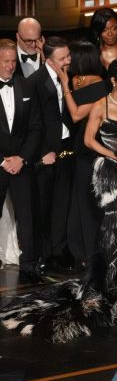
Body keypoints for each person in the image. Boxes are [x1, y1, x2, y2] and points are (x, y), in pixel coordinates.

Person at [0, 59, 117, 343]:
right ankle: (110, 283)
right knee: (112, 231)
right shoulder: (100, 105)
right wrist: (111, 155)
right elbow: (88, 140)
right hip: (110, 174)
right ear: (114, 81)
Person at [54, 40, 108, 269]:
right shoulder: (80, 80)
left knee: (88, 203)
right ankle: (78, 252)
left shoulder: (100, 86)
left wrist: (66, 85)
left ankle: (91, 252)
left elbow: (76, 115)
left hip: (92, 150)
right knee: (76, 203)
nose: (67, 61)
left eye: (70, 57)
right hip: (76, 149)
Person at [30, 36, 75, 273]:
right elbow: (32, 123)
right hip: (46, 153)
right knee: (44, 205)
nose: (67, 61)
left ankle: (59, 251)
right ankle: (44, 254)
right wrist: (41, 153)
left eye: (68, 56)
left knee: (62, 204)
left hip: (67, 148)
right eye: (62, 58)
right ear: (48, 60)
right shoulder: (35, 82)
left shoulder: (71, 77)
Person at [0, 38, 42, 283]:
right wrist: (2, 161)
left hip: (21, 162)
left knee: (27, 215)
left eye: (13, 61)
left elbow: (36, 127)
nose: (10, 66)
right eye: (5, 61)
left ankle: (29, 265)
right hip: (0, 163)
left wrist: (22, 158)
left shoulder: (25, 86)